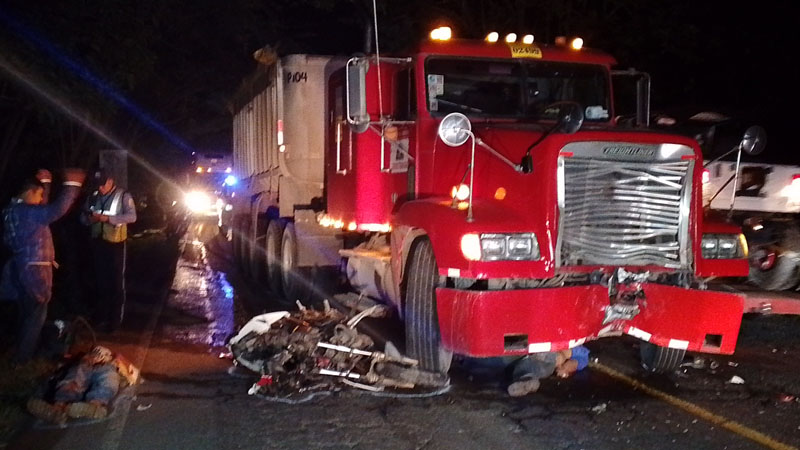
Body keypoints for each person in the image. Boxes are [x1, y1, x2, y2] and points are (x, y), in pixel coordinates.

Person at [0, 168, 85, 363]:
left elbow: (42, 211)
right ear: (29, 192)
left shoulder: (14, 210)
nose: (40, 199)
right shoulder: (27, 212)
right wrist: (72, 186)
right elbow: (55, 210)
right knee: (36, 315)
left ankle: (22, 350)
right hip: (35, 270)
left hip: (21, 268)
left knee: (27, 312)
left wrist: (46, 183)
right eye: (38, 194)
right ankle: (22, 360)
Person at [81, 170, 136, 333]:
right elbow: (83, 218)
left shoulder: (123, 196)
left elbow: (132, 217)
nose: (100, 187)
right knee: (101, 281)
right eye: (98, 184)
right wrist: (89, 220)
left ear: (111, 181)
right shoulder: (93, 196)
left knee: (116, 283)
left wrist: (108, 219)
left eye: (103, 184)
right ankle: (102, 316)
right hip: (98, 242)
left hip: (116, 244)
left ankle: (115, 322)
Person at [26, 345, 122, 424]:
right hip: (85, 371)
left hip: (103, 370)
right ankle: (58, 408)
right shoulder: (83, 360)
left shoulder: (110, 364)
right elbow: (64, 361)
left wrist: (116, 362)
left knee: (109, 376)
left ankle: (95, 405)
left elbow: (128, 373)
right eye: (95, 353)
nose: (96, 356)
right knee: (75, 374)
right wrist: (85, 359)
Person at [507, 346, 590, 397]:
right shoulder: (580, 356)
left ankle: (528, 380)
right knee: (556, 359)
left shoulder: (549, 369)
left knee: (523, 368)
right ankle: (529, 379)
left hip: (538, 358)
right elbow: (577, 355)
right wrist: (564, 361)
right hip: (550, 352)